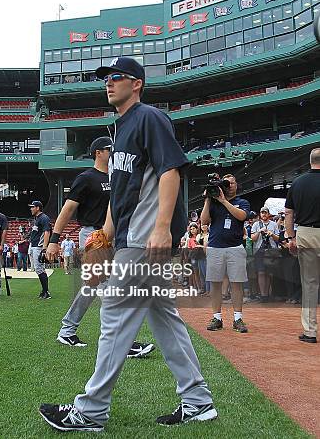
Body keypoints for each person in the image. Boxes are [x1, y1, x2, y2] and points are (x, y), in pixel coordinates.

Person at [40, 57, 215, 431]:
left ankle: (90, 411)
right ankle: (198, 401)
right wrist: (105, 233)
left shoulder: (149, 117)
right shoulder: (121, 128)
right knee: (165, 319)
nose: (108, 83)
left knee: (115, 313)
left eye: (116, 77)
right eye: (106, 78)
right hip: (131, 235)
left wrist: (162, 227)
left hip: (147, 236)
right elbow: (122, 194)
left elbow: (171, 171)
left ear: (136, 83)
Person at [46, 136, 155, 356]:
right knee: (110, 288)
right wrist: (54, 241)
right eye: (109, 150)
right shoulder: (86, 178)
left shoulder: (117, 178)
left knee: (93, 287)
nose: (113, 153)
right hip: (92, 235)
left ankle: (67, 329)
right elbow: (67, 210)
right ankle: (124, 342)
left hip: (113, 235)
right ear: (98, 152)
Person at [201, 174, 250, 332]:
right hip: (215, 247)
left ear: (236, 185)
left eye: (231, 182)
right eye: (226, 183)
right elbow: (204, 221)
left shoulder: (242, 202)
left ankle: (238, 318)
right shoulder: (213, 203)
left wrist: (223, 201)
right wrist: (209, 198)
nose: (229, 185)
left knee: (237, 283)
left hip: (235, 247)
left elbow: (241, 216)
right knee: (215, 284)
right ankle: (217, 317)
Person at [284, 148, 320, 344]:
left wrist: (291, 237)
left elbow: (288, 214)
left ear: (310, 161)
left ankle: (310, 332)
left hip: (306, 233)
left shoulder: (298, 182)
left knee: (310, 284)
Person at [250, 206, 280, 302]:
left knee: (269, 273)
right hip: (259, 250)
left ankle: (268, 294)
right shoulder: (256, 224)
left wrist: (271, 234)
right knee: (261, 272)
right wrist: (259, 231)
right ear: (260, 214)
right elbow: (253, 239)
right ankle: (263, 295)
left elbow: (278, 239)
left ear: (268, 214)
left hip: (271, 250)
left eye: (265, 212)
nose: (264, 214)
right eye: (262, 212)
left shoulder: (274, 224)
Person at [28, 200, 52, 299]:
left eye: (32, 207)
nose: (31, 209)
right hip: (34, 245)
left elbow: (47, 232)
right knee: (39, 269)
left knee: (39, 268)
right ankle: (44, 290)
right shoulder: (37, 218)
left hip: (39, 246)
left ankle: (46, 292)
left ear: (38, 208)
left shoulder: (43, 218)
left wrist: (44, 248)